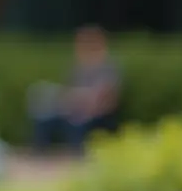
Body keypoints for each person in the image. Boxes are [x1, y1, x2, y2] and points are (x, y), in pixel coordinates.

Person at [29, 25, 121, 154]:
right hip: (74, 108)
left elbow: (105, 96)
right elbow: (67, 91)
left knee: (77, 121)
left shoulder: (109, 67)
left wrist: (80, 99)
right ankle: (39, 157)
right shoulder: (78, 67)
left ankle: (78, 158)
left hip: (96, 113)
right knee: (44, 116)